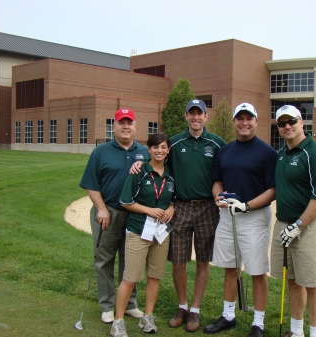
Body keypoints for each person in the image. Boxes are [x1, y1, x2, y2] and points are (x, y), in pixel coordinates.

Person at [130, 99, 226, 332]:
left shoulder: (217, 143)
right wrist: (139, 163)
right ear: (186, 116)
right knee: (179, 261)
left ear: (206, 116)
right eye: (191, 113)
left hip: (207, 209)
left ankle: (195, 310)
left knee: (203, 260)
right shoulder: (174, 142)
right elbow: (157, 159)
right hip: (180, 207)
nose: (195, 118)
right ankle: (182, 306)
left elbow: (225, 171)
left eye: (199, 114)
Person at [204, 103, 277, 337]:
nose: (244, 123)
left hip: (254, 217)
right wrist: (219, 197)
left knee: (256, 270)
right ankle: (228, 315)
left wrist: (247, 205)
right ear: (234, 122)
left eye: (249, 118)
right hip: (227, 216)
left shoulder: (267, 153)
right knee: (229, 267)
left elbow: (273, 190)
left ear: (256, 121)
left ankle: (258, 323)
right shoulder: (225, 151)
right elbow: (217, 182)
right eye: (240, 119)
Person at [270, 105, 316, 337]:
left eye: (292, 121)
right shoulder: (281, 154)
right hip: (284, 225)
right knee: (293, 281)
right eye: (282, 123)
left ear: (301, 122)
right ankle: (296, 332)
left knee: (314, 283)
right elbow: (276, 189)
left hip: (309, 227)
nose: (287, 126)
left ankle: (315, 335)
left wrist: (298, 226)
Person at [79, 108, 149, 323]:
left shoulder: (145, 152)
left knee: (132, 261)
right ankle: (108, 305)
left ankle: (129, 303)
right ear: (114, 126)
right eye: (121, 123)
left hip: (135, 215)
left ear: (135, 126)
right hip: (108, 213)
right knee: (104, 260)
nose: (125, 127)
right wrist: (101, 208)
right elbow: (91, 184)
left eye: (129, 123)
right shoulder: (101, 152)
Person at [110, 132, 175, 336]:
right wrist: (149, 210)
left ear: (168, 150)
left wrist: (171, 207)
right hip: (139, 231)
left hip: (160, 234)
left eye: (163, 147)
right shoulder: (139, 171)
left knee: (154, 277)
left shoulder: (171, 174)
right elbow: (125, 201)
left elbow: (172, 197)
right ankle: (118, 322)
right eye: (155, 147)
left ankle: (147, 317)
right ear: (149, 149)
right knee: (130, 278)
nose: (159, 151)